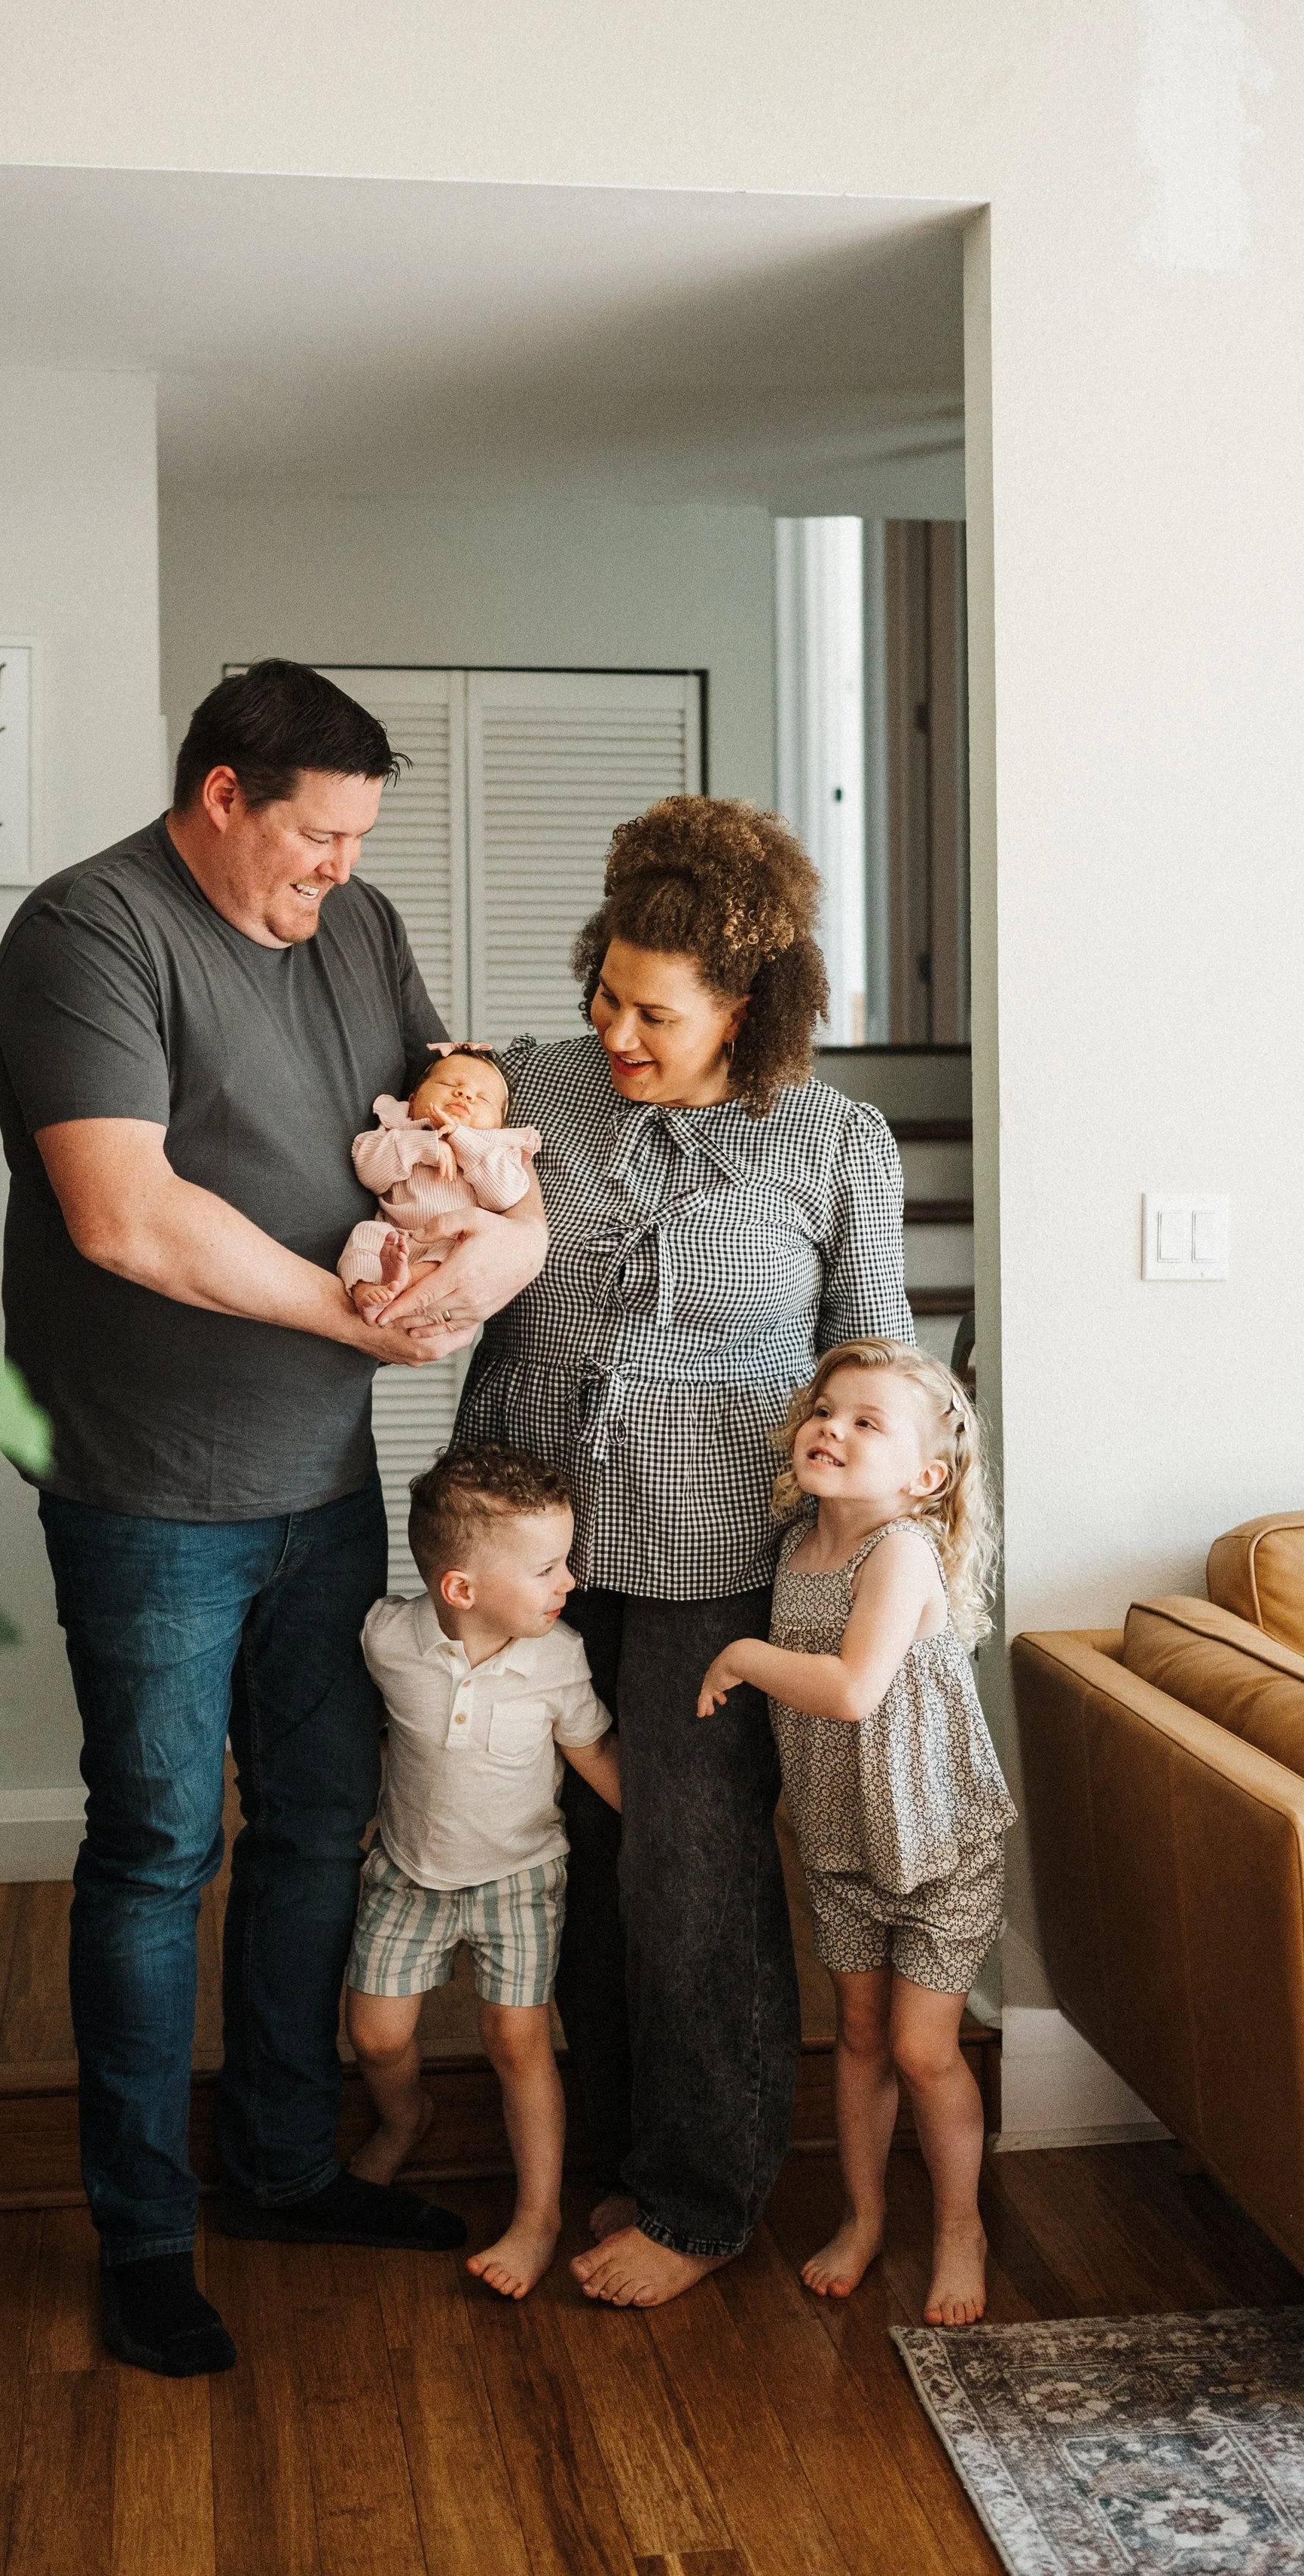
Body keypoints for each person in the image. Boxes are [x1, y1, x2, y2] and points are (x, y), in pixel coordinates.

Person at [0, 659, 548, 2379]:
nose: (337, 869)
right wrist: (353, 1317)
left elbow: (448, 1132)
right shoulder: (91, 930)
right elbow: (124, 1212)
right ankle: (146, 2231)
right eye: (315, 835)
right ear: (221, 792)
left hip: (321, 1471)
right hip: (149, 1479)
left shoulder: (358, 927)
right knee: (159, 1844)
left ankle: (287, 2165)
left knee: (317, 1817)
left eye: (358, 839)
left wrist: (492, 1243)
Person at [452, 793, 913, 2309]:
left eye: (654, 1011)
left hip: (714, 1556)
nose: (617, 1029)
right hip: (521, 1547)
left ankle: (703, 2195)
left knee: (691, 1873)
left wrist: (882, 1578)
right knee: (561, 1854)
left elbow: (883, 1368)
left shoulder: (836, 1142)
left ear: (744, 1006)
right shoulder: (535, 1088)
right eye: (605, 992)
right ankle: (598, 2139)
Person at [698, 1337, 1012, 2324]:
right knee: (860, 2036)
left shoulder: (900, 1550)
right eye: (824, 1409)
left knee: (924, 2049)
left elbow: (850, 1689)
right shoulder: (797, 1548)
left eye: (865, 1420)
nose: (830, 1427)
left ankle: (961, 2226)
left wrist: (743, 1653)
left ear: (923, 1476)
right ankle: (864, 2213)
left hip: (939, 1842)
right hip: (845, 1846)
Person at [345, 1442, 621, 2299]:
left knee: (517, 2040)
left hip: (520, 1877)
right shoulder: (388, 1636)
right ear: (459, 1587)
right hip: (408, 1873)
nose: (568, 1579)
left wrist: (668, 1829)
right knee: (377, 2034)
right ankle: (406, 2117)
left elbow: (593, 1751)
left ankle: (536, 2216)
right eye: (546, 1566)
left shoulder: (559, 1655)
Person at [339, 1048, 542, 1317]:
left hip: (450, 1242)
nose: (466, 1095)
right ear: (412, 1102)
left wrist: (461, 1140)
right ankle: (365, 1289)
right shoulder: (399, 1131)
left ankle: (404, 1282)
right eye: (449, 1084)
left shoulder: (497, 1149)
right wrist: (429, 1145)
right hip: (396, 1237)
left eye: (483, 1098)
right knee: (365, 1234)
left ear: (500, 1125)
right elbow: (370, 1171)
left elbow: (504, 1195)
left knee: (460, 1254)